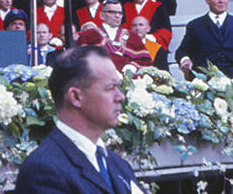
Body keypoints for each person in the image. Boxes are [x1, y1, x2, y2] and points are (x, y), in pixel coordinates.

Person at [14, 46, 144, 193]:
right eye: (110, 88)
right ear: (76, 97)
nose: (120, 96)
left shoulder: (118, 165)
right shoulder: (43, 171)